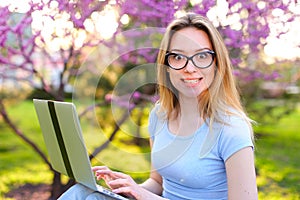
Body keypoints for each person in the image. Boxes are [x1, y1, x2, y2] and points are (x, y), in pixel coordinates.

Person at [58, 12, 258, 200]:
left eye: (202, 56)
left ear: (217, 63)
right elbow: (157, 183)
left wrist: (146, 197)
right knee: (81, 192)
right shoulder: (160, 115)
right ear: (167, 66)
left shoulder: (231, 129)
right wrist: (128, 189)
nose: (189, 68)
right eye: (178, 57)